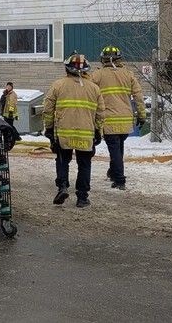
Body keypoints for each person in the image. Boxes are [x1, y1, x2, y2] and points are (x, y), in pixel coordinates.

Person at [43, 52, 104, 208]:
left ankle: (62, 187)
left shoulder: (58, 85)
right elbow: (100, 113)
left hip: (63, 133)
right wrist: (98, 131)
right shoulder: (95, 88)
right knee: (84, 164)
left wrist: (49, 128)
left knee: (62, 161)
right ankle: (82, 198)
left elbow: (48, 109)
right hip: (86, 133)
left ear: (67, 68)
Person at [91, 45, 147, 190]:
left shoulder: (97, 75)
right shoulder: (128, 74)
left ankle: (120, 179)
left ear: (103, 59)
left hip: (109, 119)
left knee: (114, 149)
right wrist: (142, 115)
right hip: (126, 119)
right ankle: (113, 172)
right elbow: (138, 96)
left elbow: (88, 93)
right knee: (118, 147)